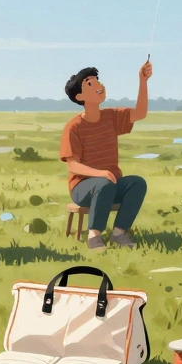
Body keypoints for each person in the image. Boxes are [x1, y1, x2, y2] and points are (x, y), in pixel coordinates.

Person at [60, 61, 152, 252]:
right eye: (90, 83)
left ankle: (118, 233)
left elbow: (140, 113)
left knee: (137, 183)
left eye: (97, 80)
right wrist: (100, 173)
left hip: (110, 183)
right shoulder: (73, 127)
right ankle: (94, 235)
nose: (98, 85)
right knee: (104, 184)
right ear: (79, 96)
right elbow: (72, 165)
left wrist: (143, 80)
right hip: (82, 188)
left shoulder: (111, 117)